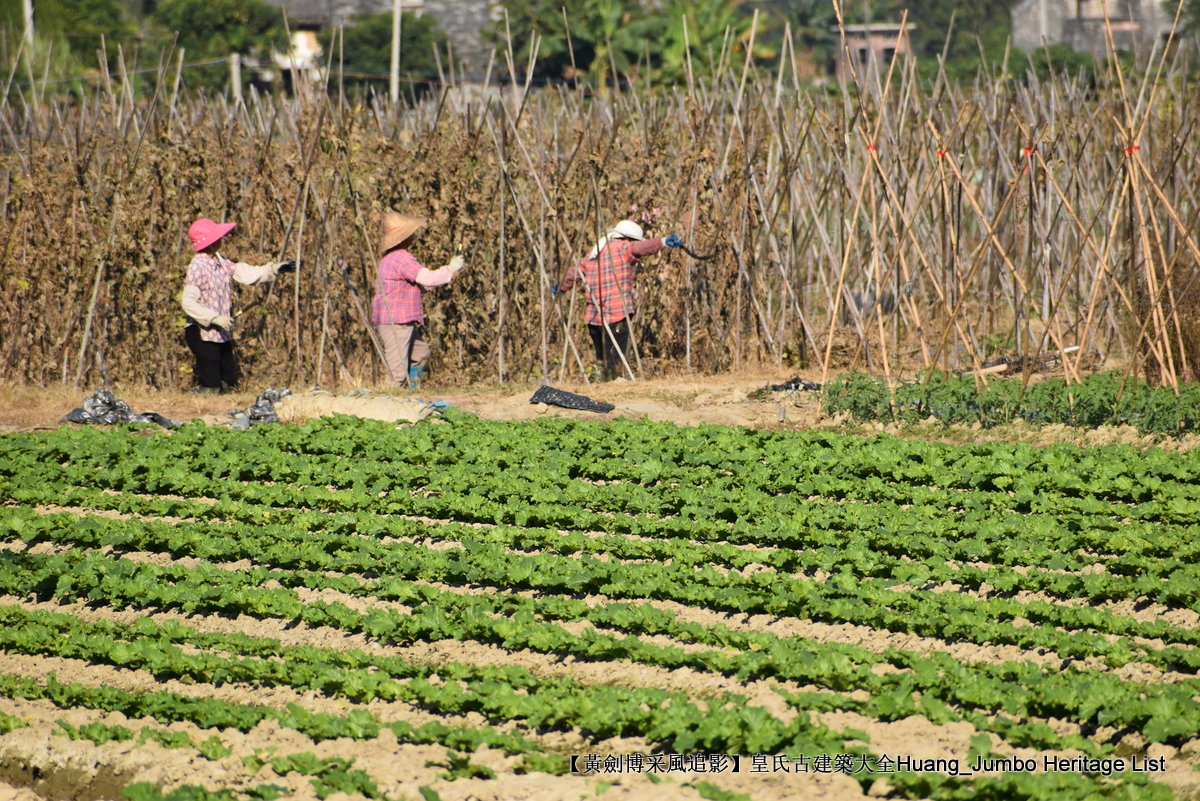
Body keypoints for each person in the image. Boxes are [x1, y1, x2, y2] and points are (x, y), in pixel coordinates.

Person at [556, 220, 682, 380]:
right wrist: (663, 242)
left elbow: (575, 272)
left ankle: (600, 384)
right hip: (615, 315)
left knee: (601, 358)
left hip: (594, 318)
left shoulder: (595, 252)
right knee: (615, 359)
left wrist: (561, 288)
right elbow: (640, 248)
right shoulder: (623, 248)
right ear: (629, 239)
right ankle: (614, 385)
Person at [180, 217, 289, 393]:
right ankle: (202, 403)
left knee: (228, 379)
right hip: (202, 331)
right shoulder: (198, 266)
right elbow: (188, 301)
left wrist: (274, 269)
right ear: (210, 242)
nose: (222, 240)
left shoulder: (221, 262)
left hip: (220, 331)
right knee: (212, 382)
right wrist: (214, 317)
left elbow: (245, 273)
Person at [371, 211, 465, 390]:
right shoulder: (401, 257)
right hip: (396, 320)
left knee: (421, 352)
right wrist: (451, 268)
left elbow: (417, 284)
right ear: (404, 237)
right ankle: (391, 400)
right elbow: (428, 278)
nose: (414, 235)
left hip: (397, 319)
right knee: (396, 371)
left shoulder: (392, 258)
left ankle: (412, 388)